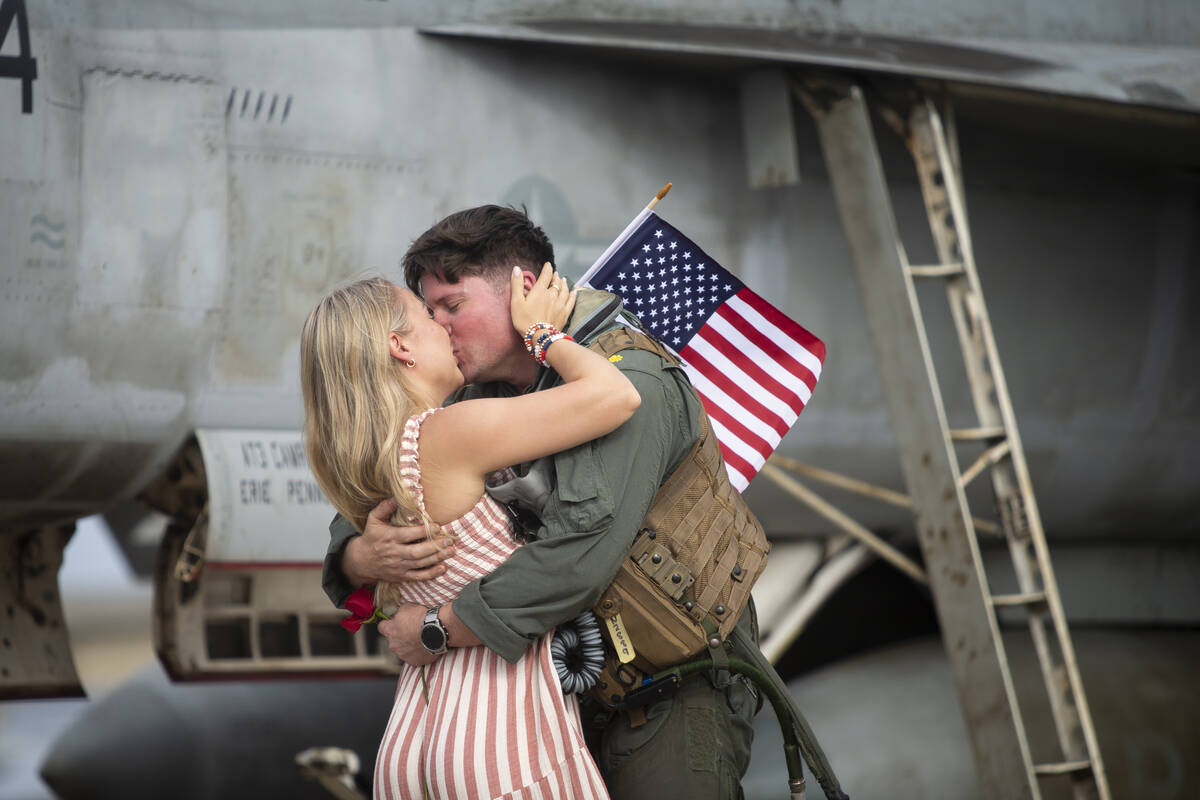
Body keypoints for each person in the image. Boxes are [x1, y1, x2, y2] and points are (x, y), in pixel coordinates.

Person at [323, 205, 760, 798]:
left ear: (523, 292)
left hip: (668, 687)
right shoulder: (476, 397)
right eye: (429, 312)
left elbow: (576, 554)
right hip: (556, 691)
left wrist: (433, 629)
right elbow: (383, 491)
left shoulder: (632, 378)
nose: (440, 327)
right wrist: (359, 558)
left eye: (453, 306)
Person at [302, 264, 639, 799]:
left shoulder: (365, 458)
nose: (444, 325)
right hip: (504, 737)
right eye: (427, 316)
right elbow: (615, 395)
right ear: (399, 347)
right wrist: (540, 332)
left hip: (418, 729)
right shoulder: (450, 434)